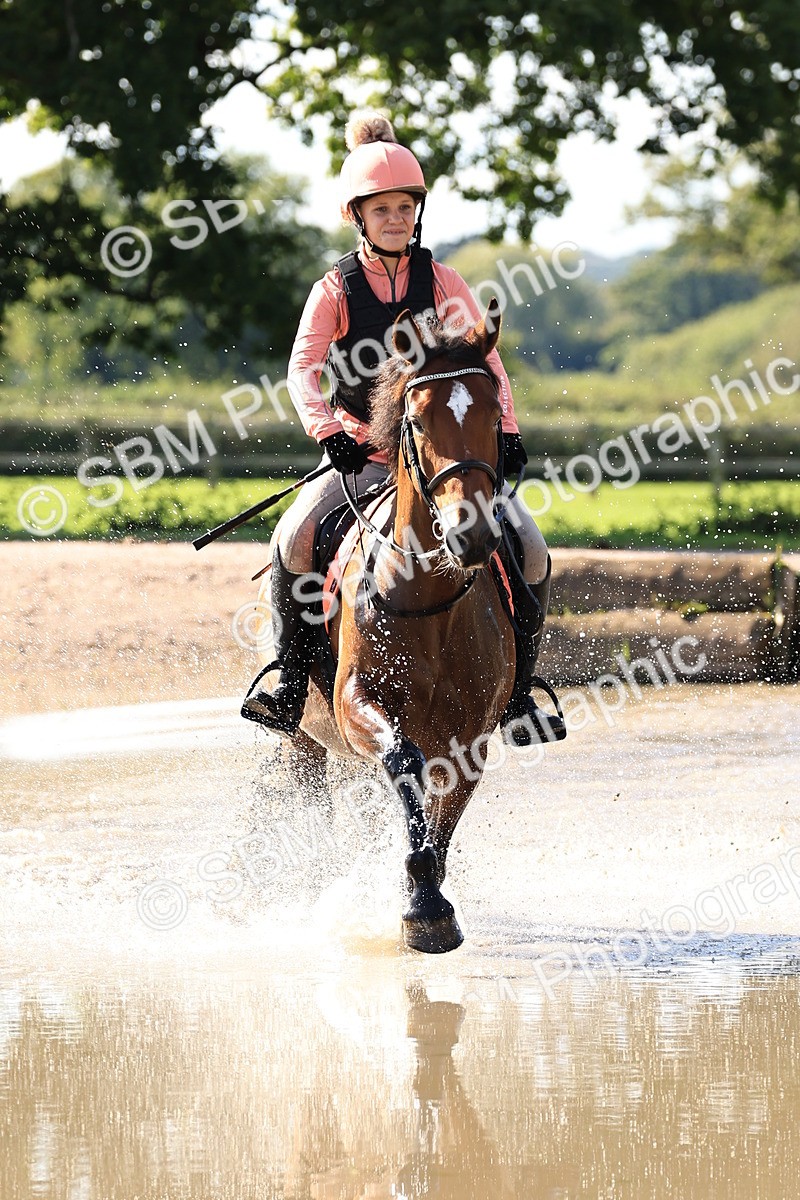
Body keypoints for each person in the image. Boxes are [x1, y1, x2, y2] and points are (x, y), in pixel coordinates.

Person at [242, 112, 565, 746]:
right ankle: (285, 678)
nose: (398, 220)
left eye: (406, 208)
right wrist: (327, 430)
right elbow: (303, 366)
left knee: (527, 546)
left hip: (439, 456)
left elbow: (485, 359)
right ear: (357, 216)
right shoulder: (336, 287)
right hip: (361, 452)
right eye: (383, 209)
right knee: (298, 536)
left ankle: (521, 694)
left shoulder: (443, 280)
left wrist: (507, 429)